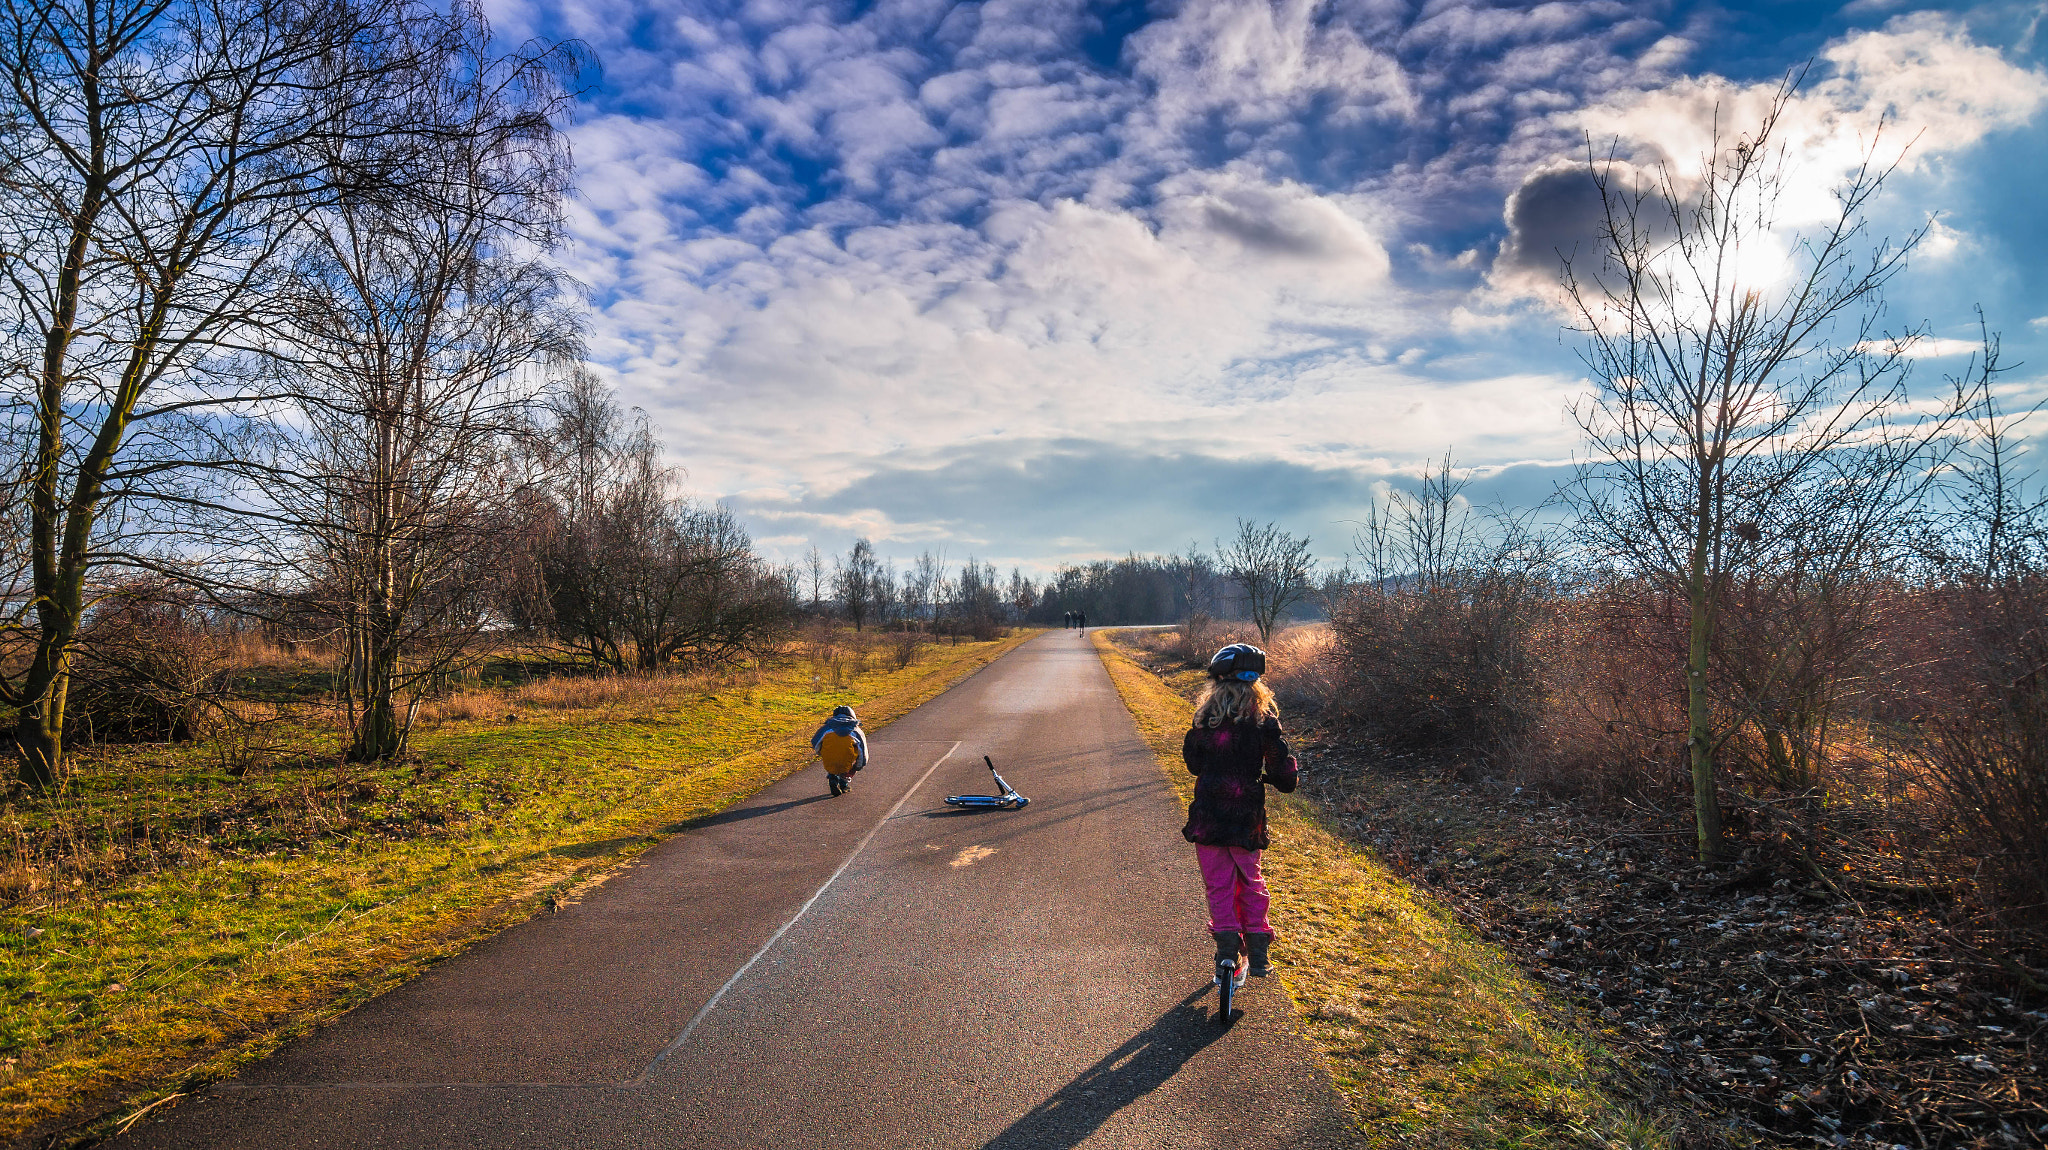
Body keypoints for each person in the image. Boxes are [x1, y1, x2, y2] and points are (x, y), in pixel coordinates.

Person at [1181, 642, 1297, 987]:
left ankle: (1228, 947)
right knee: (1250, 880)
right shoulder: (1264, 724)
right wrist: (1280, 772)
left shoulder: (1204, 722)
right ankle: (1258, 951)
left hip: (1209, 819)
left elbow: (1193, 765)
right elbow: (1284, 778)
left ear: (1216, 685)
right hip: (1246, 820)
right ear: (1256, 687)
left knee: (1218, 885)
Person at [811, 704, 868, 797]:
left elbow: (815, 742)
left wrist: (822, 753)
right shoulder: (856, 730)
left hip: (829, 760)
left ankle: (833, 777)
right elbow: (863, 752)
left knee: (832, 751)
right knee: (849, 754)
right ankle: (844, 784)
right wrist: (858, 767)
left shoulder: (826, 728)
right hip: (847, 761)